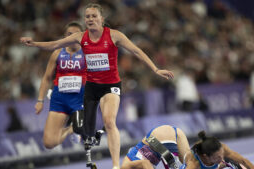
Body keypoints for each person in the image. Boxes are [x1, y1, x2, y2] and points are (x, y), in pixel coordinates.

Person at [20, 3, 174, 168]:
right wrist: (34, 43)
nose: (90, 19)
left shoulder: (114, 35)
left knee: (109, 121)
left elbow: (136, 51)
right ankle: (86, 135)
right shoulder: (80, 37)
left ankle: (116, 165)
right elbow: (54, 44)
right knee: (87, 131)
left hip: (110, 86)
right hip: (91, 88)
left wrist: (155, 69)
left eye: (94, 16)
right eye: (87, 17)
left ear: (102, 19)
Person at [34, 21, 86, 149]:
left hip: (79, 100)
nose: (72, 37)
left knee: (81, 129)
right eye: (69, 34)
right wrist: (40, 100)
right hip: (59, 100)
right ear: (64, 37)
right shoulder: (57, 53)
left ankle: (76, 128)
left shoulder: (88, 53)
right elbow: (46, 78)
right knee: (49, 143)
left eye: (76, 34)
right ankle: (70, 130)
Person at [121, 125, 190, 169]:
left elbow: (145, 163)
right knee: (190, 164)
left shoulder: (124, 167)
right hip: (156, 137)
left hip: (155, 140)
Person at [181, 131, 254, 169]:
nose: (221, 158)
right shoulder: (194, 163)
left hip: (215, 163)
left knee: (233, 161)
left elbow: (244, 161)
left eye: (222, 154)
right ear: (206, 157)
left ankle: (221, 165)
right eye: (217, 157)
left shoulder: (222, 149)